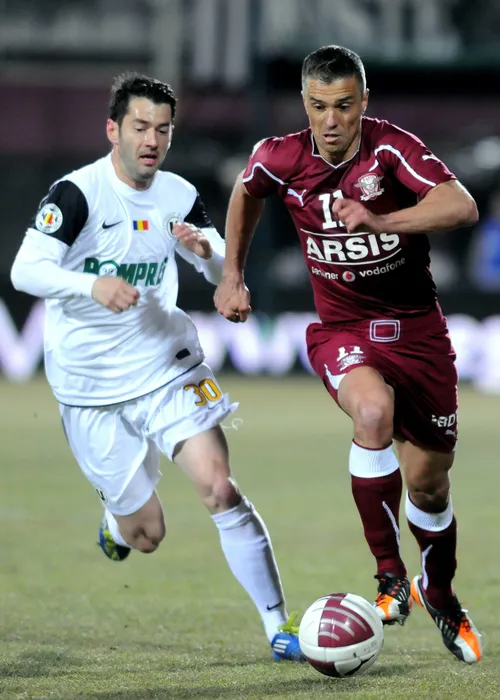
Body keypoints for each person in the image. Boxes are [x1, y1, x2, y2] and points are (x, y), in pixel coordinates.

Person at [10, 73, 303, 662]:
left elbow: (222, 266)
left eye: (163, 130)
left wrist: (207, 253)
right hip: (90, 387)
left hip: (166, 366)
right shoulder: (76, 194)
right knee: (147, 535)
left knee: (219, 487)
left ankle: (280, 626)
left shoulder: (178, 193)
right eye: (141, 127)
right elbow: (25, 271)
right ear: (113, 129)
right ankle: (116, 522)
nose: (152, 140)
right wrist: (91, 285)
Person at [214, 46, 483, 664]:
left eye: (343, 105)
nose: (331, 120)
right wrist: (232, 275)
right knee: (371, 414)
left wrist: (381, 221)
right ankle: (390, 576)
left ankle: (439, 593)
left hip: (417, 333)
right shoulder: (279, 157)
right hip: (344, 329)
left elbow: (461, 205)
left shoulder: (390, 149)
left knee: (429, 488)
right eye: (318, 106)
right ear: (304, 104)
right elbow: (247, 191)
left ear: (364, 101)